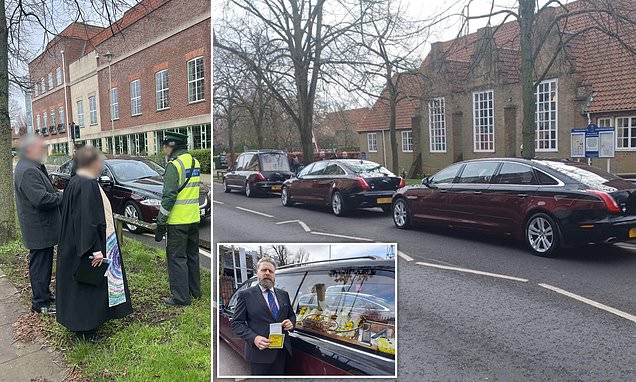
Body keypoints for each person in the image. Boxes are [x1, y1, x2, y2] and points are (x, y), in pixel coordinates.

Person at [56, 146, 132, 339]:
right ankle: (86, 328)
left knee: (77, 287)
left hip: (74, 244)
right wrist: (95, 250)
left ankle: (78, 324)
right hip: (87, 246)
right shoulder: (87, 184)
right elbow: (88, 219)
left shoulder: (74, 182)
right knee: (87, 287)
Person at [14, 135, 63, 315]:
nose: (43, 151)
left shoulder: (32, 166)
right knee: (40, 265)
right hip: (39, 229)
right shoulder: (28, 170)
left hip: (42, 228)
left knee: (44, 263)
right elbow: (41, 199)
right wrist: (62, 196)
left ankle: (44, 294)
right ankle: (40, 303)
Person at [154, 131, 201, 306]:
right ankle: (195, 292)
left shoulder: (174, 165)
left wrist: (160, 222)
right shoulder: (195, 162)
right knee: (192, 256)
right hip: (194, 218)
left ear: (172, 146)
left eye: (165, 145)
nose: (163, 148)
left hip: (177, 221)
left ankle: (181, 298)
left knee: (176, 258)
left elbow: (169, 197)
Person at [231, 257, 296, 376]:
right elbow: (237, 323)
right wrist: (254, 338)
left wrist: (291, 323)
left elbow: (291, 315)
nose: (267, 273)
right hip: (259, 354)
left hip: (281, 352)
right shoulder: (245, 295)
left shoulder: (283, 294)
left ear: (274, 275)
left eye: (270, 271)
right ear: (257, 273)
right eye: (264, 270)